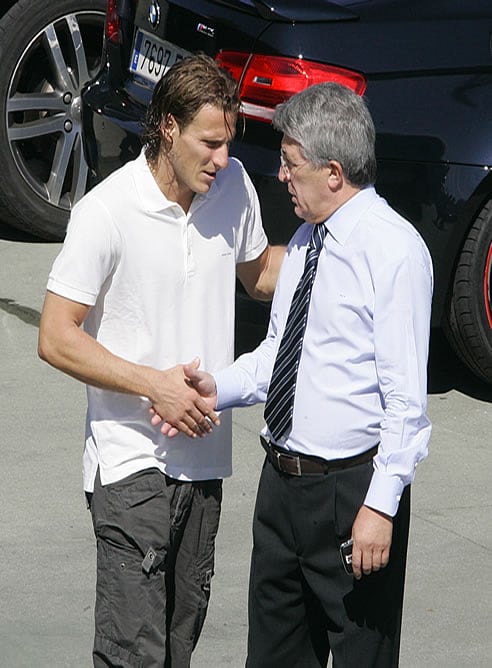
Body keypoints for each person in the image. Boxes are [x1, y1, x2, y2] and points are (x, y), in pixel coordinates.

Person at [162, 82, 434, 667]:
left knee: (363, 654)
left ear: (333, 172)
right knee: (273, 656)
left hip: (351, 494)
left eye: (291, 165)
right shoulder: (308, 243)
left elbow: (406, 404)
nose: (281, 176)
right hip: (281, 489)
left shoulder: (394, 251)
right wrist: (219, 387)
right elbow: (278, 357)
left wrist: (380, 507)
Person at [37, 53, 284, 668]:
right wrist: (155, 386)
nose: (222, 159)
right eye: (209, 143)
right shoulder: (107, 211)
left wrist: (346, 246)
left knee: (176, 647)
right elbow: (56, 335)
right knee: (132, 654)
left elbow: (260, 276)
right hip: (128, 461)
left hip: (204, 462)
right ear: (168, 128)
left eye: (228, 143)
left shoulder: (232, 188)